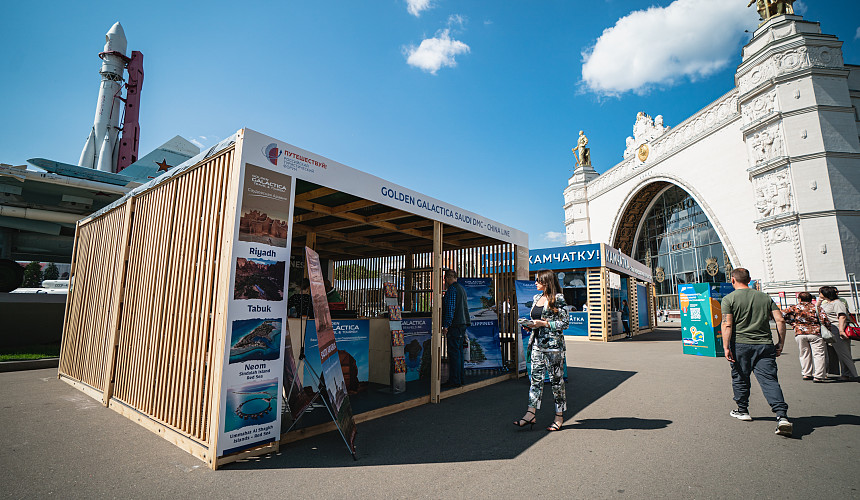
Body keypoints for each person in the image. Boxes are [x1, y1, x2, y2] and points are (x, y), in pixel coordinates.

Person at [721, 268, 792, 437]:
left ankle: (743, 410)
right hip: (765, 345)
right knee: (769, 380)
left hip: (741, 345)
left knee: (740, 377)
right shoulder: (765, 297)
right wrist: (780, 343)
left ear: (732, 280)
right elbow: (780, 320)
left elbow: (727, 324)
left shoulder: (729, 299)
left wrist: (725, 347)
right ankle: (781, 415)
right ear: (749, 280)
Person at [514, 269, 569, 432]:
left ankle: (559, 416)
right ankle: (531, 414)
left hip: (553, 347)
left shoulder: (558, 298)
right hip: (537, 345)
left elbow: (564, 323)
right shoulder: (536, 298)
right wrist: (530, 324)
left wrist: (544, 324)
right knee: (535, 381)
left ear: (546, 282)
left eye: (538, 280)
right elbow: (536, 319)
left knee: (556, 382)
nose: (535, 282)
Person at [782, 292, 826, 382]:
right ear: (810, 299)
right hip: (815, 332)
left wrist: (792, 323)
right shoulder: (817, 307)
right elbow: (824, 319)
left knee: (804, 353)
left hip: (800, 332)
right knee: (818, 354)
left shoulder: (795, 307)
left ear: (800, 299)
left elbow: (782, 314)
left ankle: (806, 373)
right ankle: (818, 375)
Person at [817, 286, 858, 381]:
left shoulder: (837, 303)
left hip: (837, 329)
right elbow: (817, 309)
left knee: (843, 353)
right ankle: (845, 374)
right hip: (828, 330)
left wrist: (841, 330)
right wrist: (819, 300)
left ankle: (853, 375)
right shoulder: (826, 303)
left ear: (826, 293)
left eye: (821, 293)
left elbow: (842, 316)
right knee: (832, 353)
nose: (819, 294)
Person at [441, 270, 470, 388]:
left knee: (453, 353)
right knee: (459, 352)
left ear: (447, 278)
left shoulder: (452, 289)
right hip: (462, 324)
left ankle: (454, 380)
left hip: (455, 324)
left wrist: (446, 325)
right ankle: (460, 378)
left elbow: (450, 308)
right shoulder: (462, 289)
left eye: (445, 279)